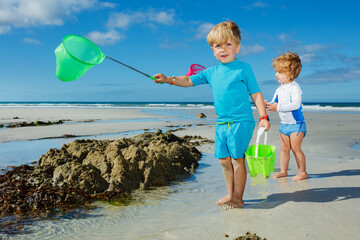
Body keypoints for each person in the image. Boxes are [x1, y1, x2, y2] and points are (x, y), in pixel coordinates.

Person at [153, 20, 270, 209]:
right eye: (218, 46)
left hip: (242, 121)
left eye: (228, 44)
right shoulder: (211, 72)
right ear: (212, 50)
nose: (223, 49)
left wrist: (263, 117)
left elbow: (256, 94)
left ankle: (238, 198)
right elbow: (188, 80)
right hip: (222, 123)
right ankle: (230, 194)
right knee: (224, 160)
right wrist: (167, 79)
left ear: (237, 47)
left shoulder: (244, 68)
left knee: (237, 159)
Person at [266, 52, 308, 181]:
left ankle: (302, 172)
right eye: (276, 71)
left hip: (297, 125)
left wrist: (277, 107)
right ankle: (284, 171)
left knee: (296, 149)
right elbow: (273, 103)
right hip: (284, 125)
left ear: (291, 74)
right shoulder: (279, 89)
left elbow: (295, 105)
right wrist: (266, 104)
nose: (276, 74)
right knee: (284, 149)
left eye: (279, 72)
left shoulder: (294, 88)